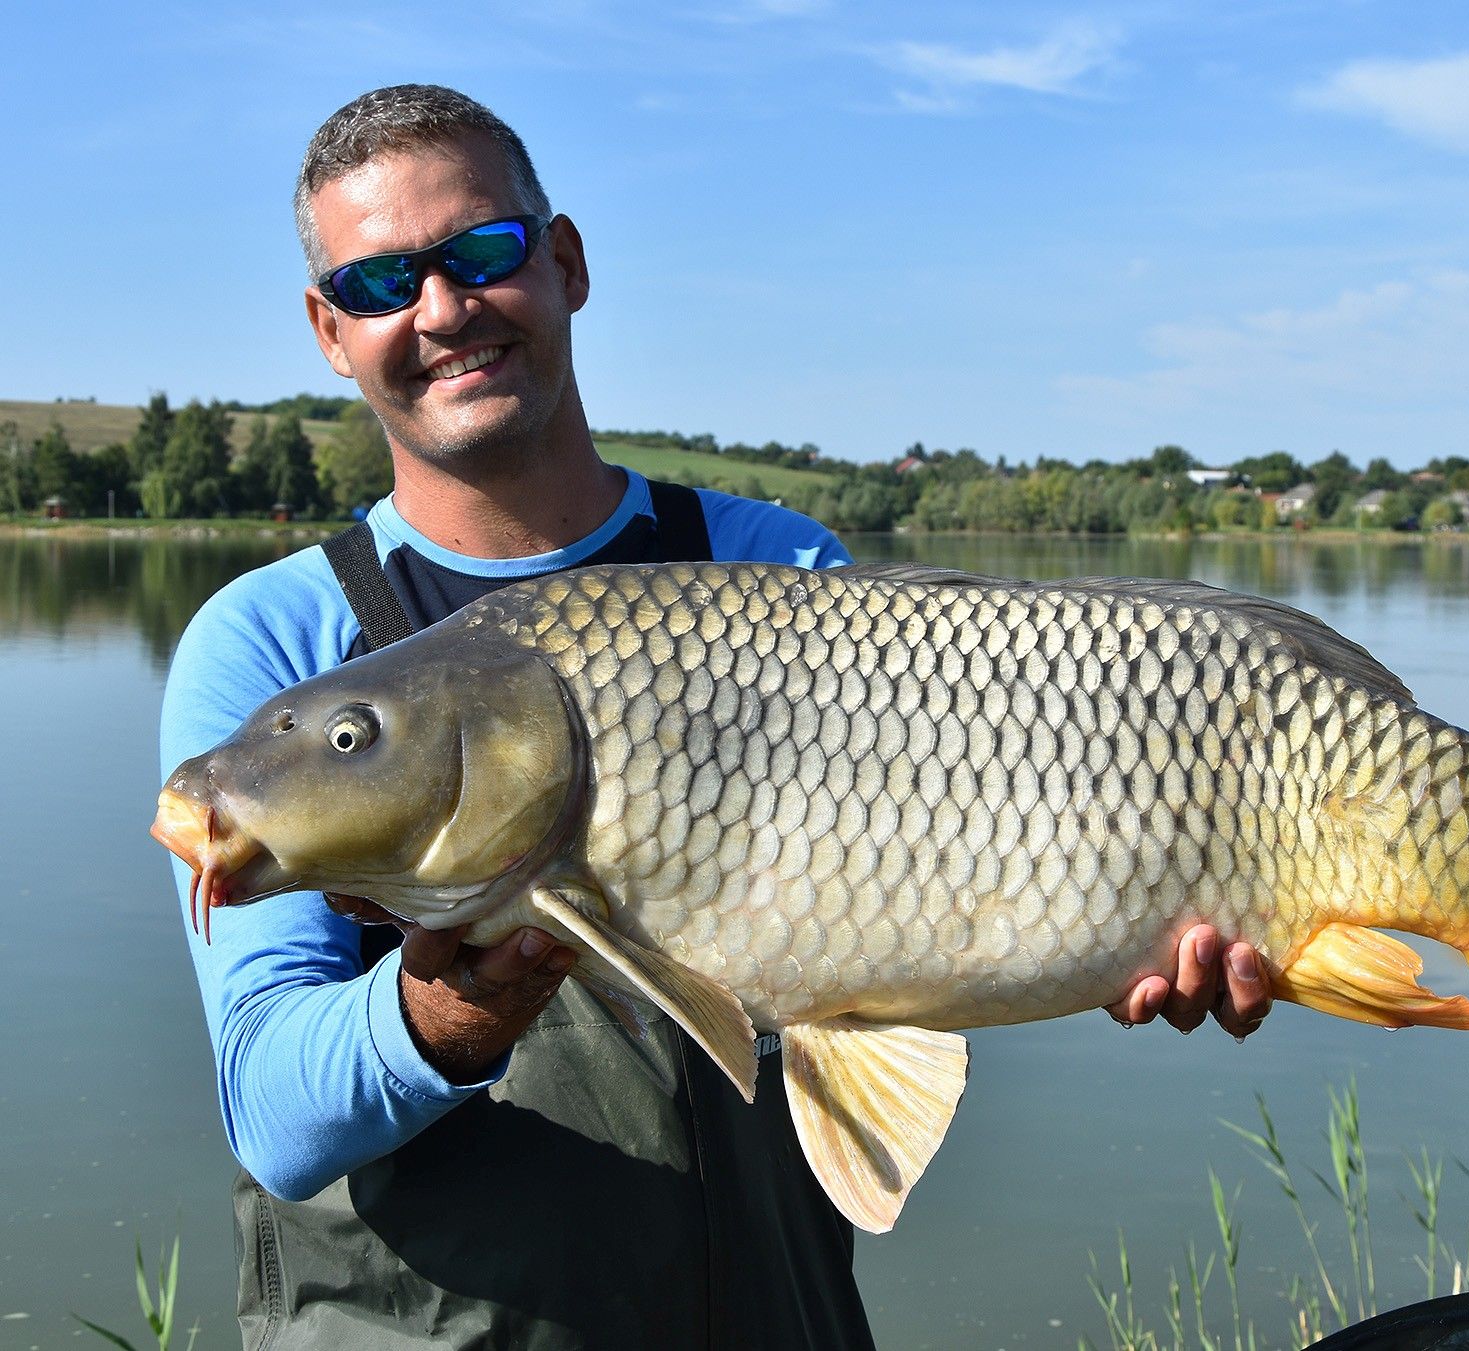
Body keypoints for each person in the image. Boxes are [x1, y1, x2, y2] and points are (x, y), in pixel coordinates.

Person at [160, 83, 1272, 1348]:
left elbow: (936, 898)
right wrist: (446, 1010)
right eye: (379, 284)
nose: (444, 310)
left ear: (565, 261)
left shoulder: (777, 569)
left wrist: (1125, 929)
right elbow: (272, 1111)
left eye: (481, 254)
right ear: (328, 329)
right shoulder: (276, 645)